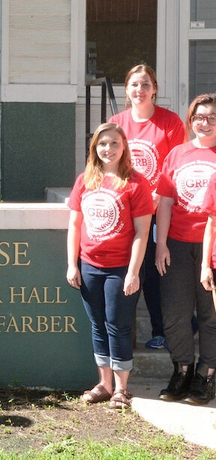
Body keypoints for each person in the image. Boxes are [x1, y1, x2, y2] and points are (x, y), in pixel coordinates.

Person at [67, 122, 153, 409]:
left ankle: (121, 389)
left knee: (118, 326)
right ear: (95, 148)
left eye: (114, 143)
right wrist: (72, 264)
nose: (108, 149)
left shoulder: (136, 183)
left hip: (121, 268)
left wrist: (132, 271)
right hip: (89, 265)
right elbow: (75, 225)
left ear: (124, 146)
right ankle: (104, 384)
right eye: (102, 144)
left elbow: (142, 233)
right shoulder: (85, 180)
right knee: (97, 325)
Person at [109, 64, 187, 350]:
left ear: (154, 89)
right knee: (124, 270)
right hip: (125, 211)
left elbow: (177, 164)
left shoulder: (170, 122)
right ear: (126, 90)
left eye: (145, 84)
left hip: (159, 210)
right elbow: (109, 164)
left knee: (155, 272)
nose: (139, 90)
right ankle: (122, 335)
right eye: (134, 85)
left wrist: (156, 195)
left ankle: (162, 330)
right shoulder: (117, 123)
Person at [155, 93, 216, 405]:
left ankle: (206, 374)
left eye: (211, 117)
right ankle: (182, 369)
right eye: (198, 117)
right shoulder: (177, 154)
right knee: (176, 313)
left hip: (213, 249)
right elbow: (164, 201)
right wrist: (161, 243)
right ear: (190, 120)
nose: (203, 123)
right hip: (177, 245)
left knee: (210, 314)